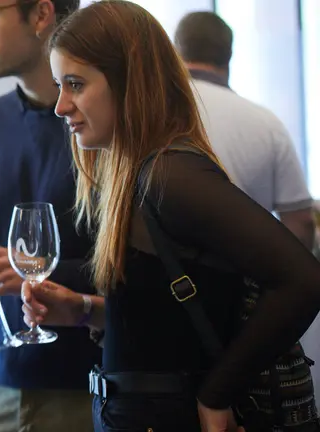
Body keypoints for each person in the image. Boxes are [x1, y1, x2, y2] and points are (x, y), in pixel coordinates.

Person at [18, 1, 320, 430]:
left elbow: (303, 280)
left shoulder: (170, 174)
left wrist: (217, 395)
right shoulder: (138, 171)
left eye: (75, 84)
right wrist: (85, 311)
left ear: (129, 80)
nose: (60, 105)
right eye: (59, 85)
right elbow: (167, 323)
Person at [0, 0, 100, 430]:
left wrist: (39, 275)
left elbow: (134, 267)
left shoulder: (102, 128)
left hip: (84, 388)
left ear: (41, 15)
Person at [174, 11, 315, 249]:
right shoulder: (266, 124)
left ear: (177, 51)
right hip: (245, 278)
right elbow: (301, 224)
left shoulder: (149, 114)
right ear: (229, 55)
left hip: (161, 280)